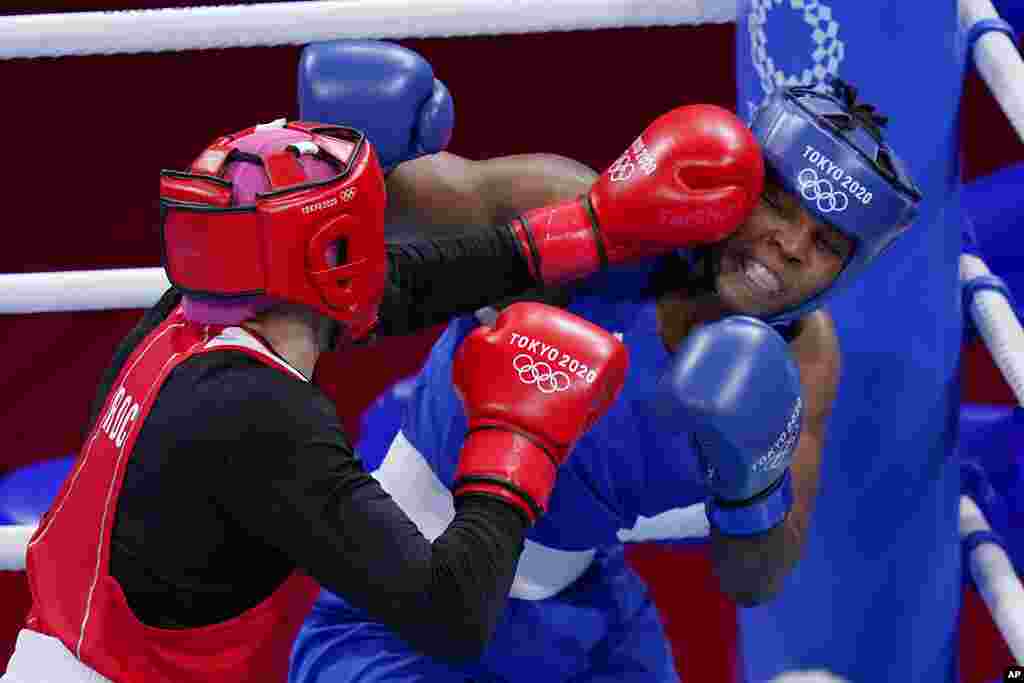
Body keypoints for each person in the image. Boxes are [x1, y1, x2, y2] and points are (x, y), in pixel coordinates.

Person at [2, 88, 763, 681]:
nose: (385, 241)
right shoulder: (265, 419)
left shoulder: (187, 319)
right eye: (365, 230)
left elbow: (394, 286)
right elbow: (448, 613)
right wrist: (515, 446)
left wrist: (587, 230)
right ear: (324, 260)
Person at [289, 78, 923, 682]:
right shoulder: (587, 212)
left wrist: (751, 487)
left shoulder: (804, 355)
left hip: (579, 624)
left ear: (846, 272)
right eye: (779, 206)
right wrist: (352, 147)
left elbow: (757, 578)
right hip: (397, 593)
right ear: (743, 180)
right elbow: (393, 202)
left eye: (826, 243)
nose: (789, 245)